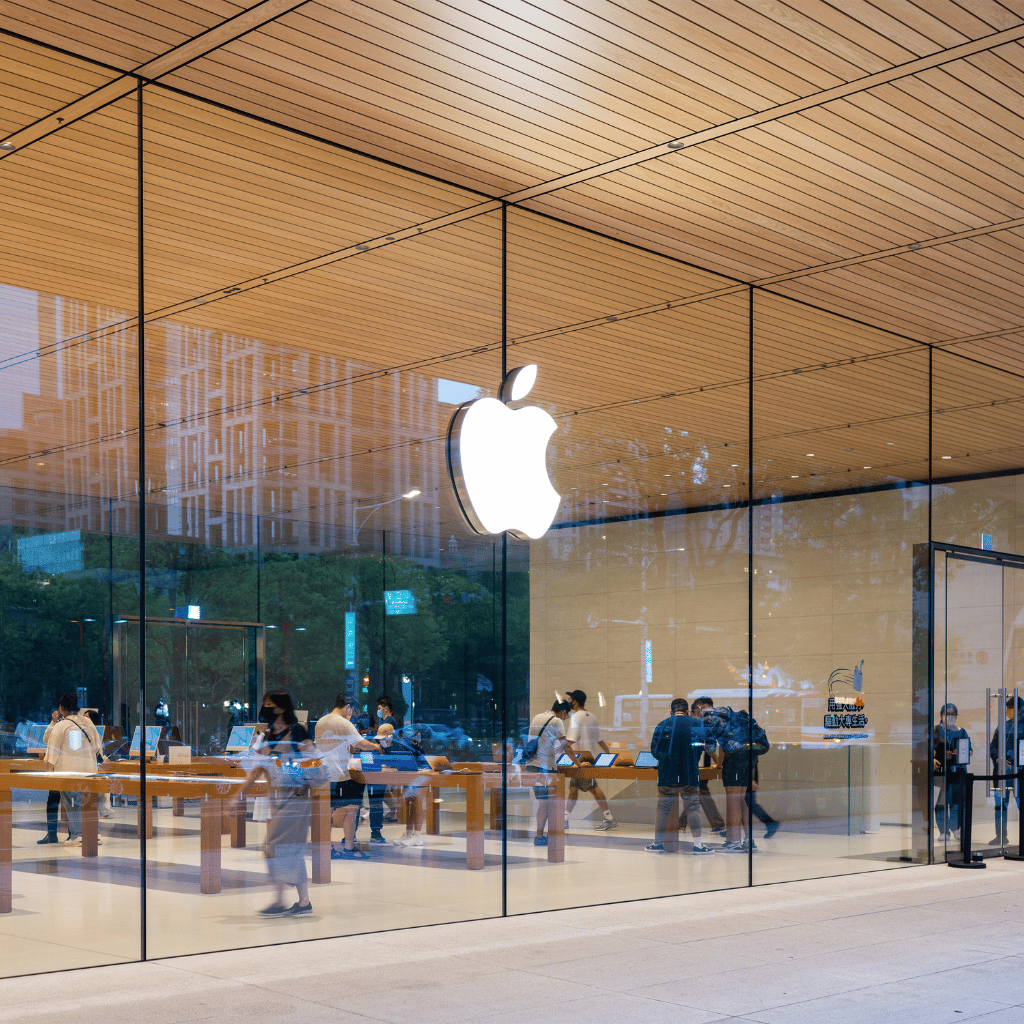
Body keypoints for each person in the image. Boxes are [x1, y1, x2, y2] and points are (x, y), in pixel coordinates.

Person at [248, 690, 314, 916]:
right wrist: (239, 794)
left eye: (270, 704)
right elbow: (257, 768)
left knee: (274, 848)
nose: (266, 708)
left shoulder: (298, 731)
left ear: (282, 707)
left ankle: (283, 900)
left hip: (296, 798)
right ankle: (300, 901)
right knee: (286, 849)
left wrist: (296, 769)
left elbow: (311, 761)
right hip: (278, 799)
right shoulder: (267, 735)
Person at [314, 693, 379, 859]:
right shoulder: (344, 723)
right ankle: (349, 848)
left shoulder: (321, 721)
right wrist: (376, 746)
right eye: (352, 709)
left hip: (323, 773)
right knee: (352, 808)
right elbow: (361, 744)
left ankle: (326, 848)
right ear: (348, 706)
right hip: (339, 774)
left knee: (326, 812)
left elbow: (338, 745)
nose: (352, 713)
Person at [647, 698, 714, 854]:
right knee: (693, 809)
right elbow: (705, 748)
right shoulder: (697, 724)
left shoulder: (662, 725)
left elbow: (654, 752)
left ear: (671, 711)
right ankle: (698, 845)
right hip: (689, 773)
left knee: (663, 809)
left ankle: (658, 844)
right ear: (688, 711)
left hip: (666, 775)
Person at [42, 693, 103, 847]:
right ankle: (93, 833)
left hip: (68, 773)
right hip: (89, 771)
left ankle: (77, 835)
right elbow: (95, 748)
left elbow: (52, 753)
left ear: (61, 708)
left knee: (72, 803)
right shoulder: (88, 723)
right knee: (89, 803)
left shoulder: (61, 726)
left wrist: (49, 776)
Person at [709, 706, 770, 853]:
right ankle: (749, 841)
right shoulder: (747, 724)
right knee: (742, 800)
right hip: (749, 765)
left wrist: (719, 763)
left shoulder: (727, 726)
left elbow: (714, 747)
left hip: (734, 765)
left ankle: (734, 841)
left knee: (733, 800)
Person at [564, 690, 617, 831]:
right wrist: (611, 755)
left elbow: (569, 741)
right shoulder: (591, 716)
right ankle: (564, 819)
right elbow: (600, 740)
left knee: (593, 788)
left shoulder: (576, 717)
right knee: (573, 789)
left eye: (570, 698)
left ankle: (609, 818)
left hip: (580, 760)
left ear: (574, 701)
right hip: (589, 759)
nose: (569, 700)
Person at [373, 723, 431, 846]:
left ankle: (417, 835)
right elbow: (395, 762)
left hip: (421, 773)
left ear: (391, 735)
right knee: (409, 803)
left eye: (383, 738)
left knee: (416, 802)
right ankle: (408, 834)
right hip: (408, 776)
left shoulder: (404, 744)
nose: (381, 741)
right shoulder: (388, 747)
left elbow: (420, 758)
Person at [524, 700, 570, 846]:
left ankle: (543, 834)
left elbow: (540, 741)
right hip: (544, 766)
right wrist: (578, 763)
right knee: (545, 802)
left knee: (543, 801)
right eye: (566, 715)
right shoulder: (556, 721)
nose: (565, 719)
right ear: (563, 711)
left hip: (531, 764)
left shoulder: (537, 717)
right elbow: (566, 746)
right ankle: (539, 836)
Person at [678, 697, 726, 837]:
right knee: (698, 791)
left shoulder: (702, 721)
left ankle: (682, 823)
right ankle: (716, 824)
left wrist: (718, 762)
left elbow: (708, 745)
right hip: (697, 761)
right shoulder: (698, 721)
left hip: (699, 761)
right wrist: (718, 762)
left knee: (698, 792)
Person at [989, 695, 1022, 847]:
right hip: (1002, 772)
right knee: (1000, 805)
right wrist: (998, 758)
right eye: (1008, 708)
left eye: (1012, 708)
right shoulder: (1002, 727)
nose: (1010, 711)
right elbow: (993, 747)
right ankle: (1001, 836)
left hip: (1020, 773)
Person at [933, 702, 969, 840]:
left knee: (956, 802)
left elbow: (969, 750)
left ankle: (955, 829)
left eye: (953, 714)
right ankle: (944, 832)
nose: (950, 717)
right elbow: (926, 748)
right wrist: (934, 758)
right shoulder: (935, 731)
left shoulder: (962, 731)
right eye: (947, 714)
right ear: (941, 715)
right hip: (941, 773)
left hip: (958, 771)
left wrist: (959, 754)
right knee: (941, 802)